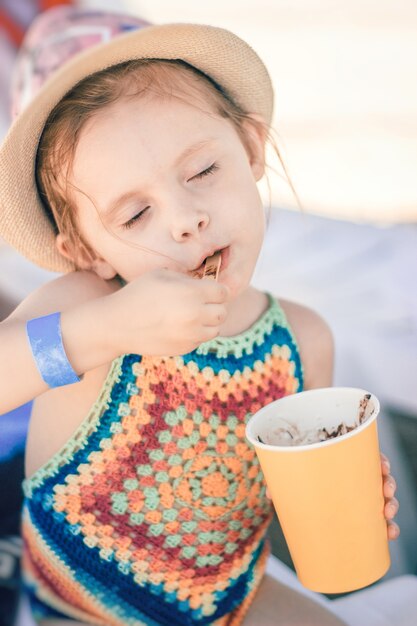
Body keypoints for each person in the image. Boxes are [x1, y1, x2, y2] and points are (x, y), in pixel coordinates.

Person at [0, 6, 407, 626]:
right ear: (84, 250)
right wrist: (103, 330)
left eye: (202, 172)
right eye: (134, 216)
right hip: (74, 613)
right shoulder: (87, 308)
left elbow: (256, 511)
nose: (184, 218)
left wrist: (343, 506)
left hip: (225, 601)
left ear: (250, 148)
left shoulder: (302, 338)